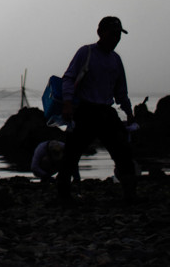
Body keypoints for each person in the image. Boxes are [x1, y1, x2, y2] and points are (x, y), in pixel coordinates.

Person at [56, 16, 137, 203]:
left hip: (107, 112)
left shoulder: (116, 60)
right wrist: (67, 103)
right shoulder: (86, 53)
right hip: (86, 110)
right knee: (72, 153)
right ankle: (63, 194)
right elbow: (68, 78)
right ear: (101, 33)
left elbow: (121, 90)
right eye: (112, 34)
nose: (116, 39)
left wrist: (129, 112)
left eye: (118, 35)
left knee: (123, 151)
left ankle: (130, 194)